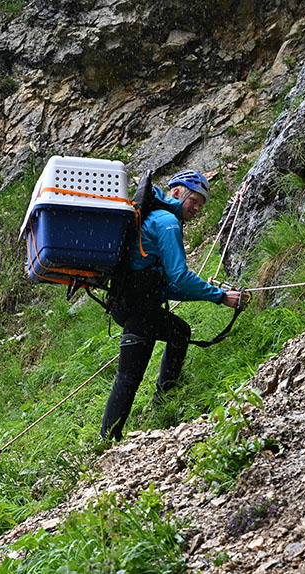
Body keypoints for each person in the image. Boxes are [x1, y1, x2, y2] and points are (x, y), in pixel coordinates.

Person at [101, 170, 242, 441]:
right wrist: (220, 297)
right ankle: (109, 438)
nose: (198, 208)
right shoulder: (167, 222)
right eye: (195, 200)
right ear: (177, 192)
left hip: (130, 304)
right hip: (139, 309)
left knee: (179, 332)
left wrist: (215, 294)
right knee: (129, 377)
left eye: (202, 203)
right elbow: (179, 277)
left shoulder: (153, 218)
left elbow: (167, 286)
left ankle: (165, 397)